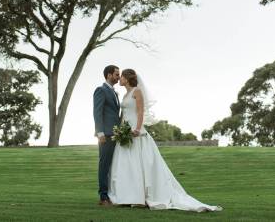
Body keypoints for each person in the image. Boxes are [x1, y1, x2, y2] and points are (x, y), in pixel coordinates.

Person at [107, 68, 222, 212]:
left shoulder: (137, 91)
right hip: (125, 133)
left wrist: (137, 129)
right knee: (127, 166)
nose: (120, 79)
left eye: (122, 76)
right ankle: (129, 196)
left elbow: (141, 111)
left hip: (137, 133)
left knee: (140, 165)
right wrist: (121, 130)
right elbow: (124, 114)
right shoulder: (125, 95)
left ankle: (142, 198)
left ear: (127, 78)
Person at [93, 65, 121, 206]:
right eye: (116, 74)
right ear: (109, 75)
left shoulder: (115, 93)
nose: (118, 77)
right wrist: (100, 133)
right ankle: (103, 197)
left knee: (113, 165)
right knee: (104, 165)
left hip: (116, 134)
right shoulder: (101, 90)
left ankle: (112, 194)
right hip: (106, 134)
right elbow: (97, 112)